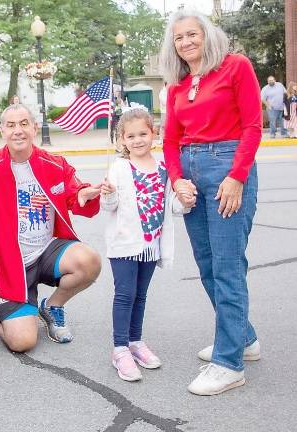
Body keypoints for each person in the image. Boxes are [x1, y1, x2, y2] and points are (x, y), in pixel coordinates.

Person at [160, 10, 262, 396]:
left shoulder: (236, 68)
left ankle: (229, 362)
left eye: (192, 34)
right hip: (190, 173)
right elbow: (170, 140)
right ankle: (244, 339)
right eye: (179, 38)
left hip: (227, 168)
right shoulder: (177, 86)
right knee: (207, 265)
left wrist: (236, 177)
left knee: (228, 266)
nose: (186, 42)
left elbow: (252, 126)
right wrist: (177, 180)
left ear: (208, 35)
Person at [0, 103, 102, 352]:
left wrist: (86, 194)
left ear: (34, 127)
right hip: (10, 265)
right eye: (11, 125)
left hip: (47, 252)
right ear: (3, 131)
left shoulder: (55, 164)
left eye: (23, 124)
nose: (18, 131)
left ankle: (52, 306)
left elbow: (77, 194)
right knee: (23, 342)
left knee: (90, 261)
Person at [101, 106, 190, 382]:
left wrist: (184, 200)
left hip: (151, 244)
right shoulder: (119, 167)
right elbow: (109, 206)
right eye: (131, 136)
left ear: (154, 134)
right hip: (124, 245)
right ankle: (119, 349)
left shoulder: (164, 168)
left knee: (140, 295)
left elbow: (170, 207)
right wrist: (109, 194)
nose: (138, 140)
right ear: (122, 140)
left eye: (143, 133)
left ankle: (135, 341)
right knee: (125, 294)